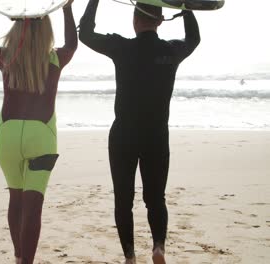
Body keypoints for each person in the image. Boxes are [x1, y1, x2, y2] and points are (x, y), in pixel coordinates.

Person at [79, 1, 200, 263]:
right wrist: (187, 8)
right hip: (156, 135)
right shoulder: (170, 50)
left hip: (123, 134)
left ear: (135, 20)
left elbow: (85, 34)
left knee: (124, 200)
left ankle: (130, 257)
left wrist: (94, 1)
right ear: (159, 21)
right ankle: (158, 247)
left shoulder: (122, 47)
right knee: (155, 198)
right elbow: (194, 39)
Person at [0, 0, 77, 263]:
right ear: (45, 32)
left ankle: (18, 257)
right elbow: (73, 44)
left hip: (8, 134)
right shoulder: (54, 59)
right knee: (33, 206)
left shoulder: (7, 56)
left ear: (16, 32)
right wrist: (67, 8)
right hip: (40, 136)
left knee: (16, 199)